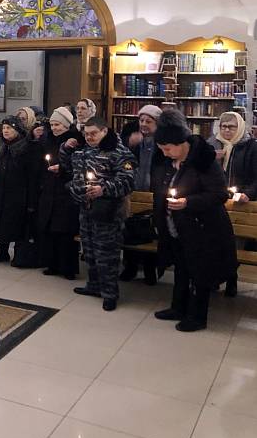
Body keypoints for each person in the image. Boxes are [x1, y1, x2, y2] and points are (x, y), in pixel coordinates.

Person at [152, 109, 237, 331]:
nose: (165, 153)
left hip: (203, 229)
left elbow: (219, 194)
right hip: (177, 227)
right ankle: (177, 308)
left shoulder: (203, 160)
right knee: (181, 268)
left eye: (168, 148)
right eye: (161, 149)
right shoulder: (168, 161)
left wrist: (188, 202)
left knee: (200, 272)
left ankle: (197, 317)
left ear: (181, 143)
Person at [61, 116, 135, 311]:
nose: (90, 137)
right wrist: (65, 149)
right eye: (86, 134)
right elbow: (69, 167)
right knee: (90, 251)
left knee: (107, 254)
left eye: (94, 133)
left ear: (104, 131)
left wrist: (104, 188)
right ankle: (94, 285)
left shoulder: (119, 152)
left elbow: (128, 181)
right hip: (85, 209)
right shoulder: (83, 150)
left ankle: (110, 293)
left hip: (108, 211)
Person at [207, 111, 257, 296]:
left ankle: (231, 279)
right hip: (214, 202)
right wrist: (213, 159)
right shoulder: (211, 144)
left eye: (231, 126)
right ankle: (213, 279)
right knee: (212, 243)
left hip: (239, 205)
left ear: (240, 127)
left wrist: (248, 194)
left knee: (233, 245)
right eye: (223, 126)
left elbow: (255, 178)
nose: (226, 130)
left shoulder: (250, 146)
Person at [0, 116, 40, 264]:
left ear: (17, 130)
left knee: (14, 221)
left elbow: (31, 172)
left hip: (17, 190)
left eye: (9, 128)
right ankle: (2, 251)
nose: (5, 131)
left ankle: (19, 254)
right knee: (1, 221)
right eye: (4, 128)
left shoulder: (25, 146)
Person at [120, 104, 164, 286]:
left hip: (155, 192)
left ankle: (150, 270)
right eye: (141, 120)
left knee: (151, 231)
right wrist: (129, 146)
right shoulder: (133, 140)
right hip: (134, 191)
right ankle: (130, 267)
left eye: (149, 121)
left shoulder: (163, 142)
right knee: (132, 229)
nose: (144, 124)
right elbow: (125, 164)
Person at [37, 107, 81, 280]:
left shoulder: (74, 141)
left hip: (66, 190)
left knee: (66, 231)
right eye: (53, 125)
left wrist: (61, 169)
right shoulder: (48, 140)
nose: (54, 128)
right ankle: (52, 264)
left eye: (58, 125)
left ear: (66, 125)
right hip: (50, 189)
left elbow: (77, 166)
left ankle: (68, 267)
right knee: (51, 230)